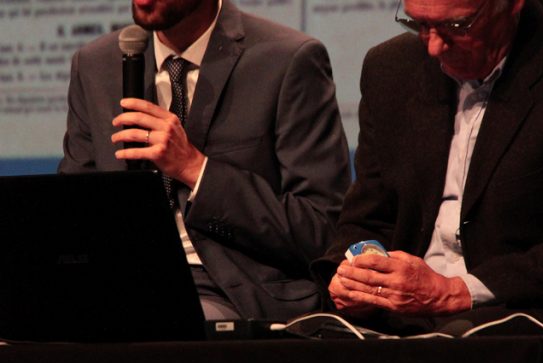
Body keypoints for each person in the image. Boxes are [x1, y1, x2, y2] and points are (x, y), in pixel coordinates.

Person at [59, 0, 350, 321]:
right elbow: (72, 212)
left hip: (230, 290)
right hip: (118, 285)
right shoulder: (96, 64)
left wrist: (196, 169)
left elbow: (321, 231)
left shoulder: (288, 59)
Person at [314, 0, 543, 333]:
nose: (434, 46)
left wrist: (455, 291)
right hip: (401, 319)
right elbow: (368, 219)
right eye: (419, 24)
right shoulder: (390, 67)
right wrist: (354, 276)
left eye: (457, 27)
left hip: (517, 318)